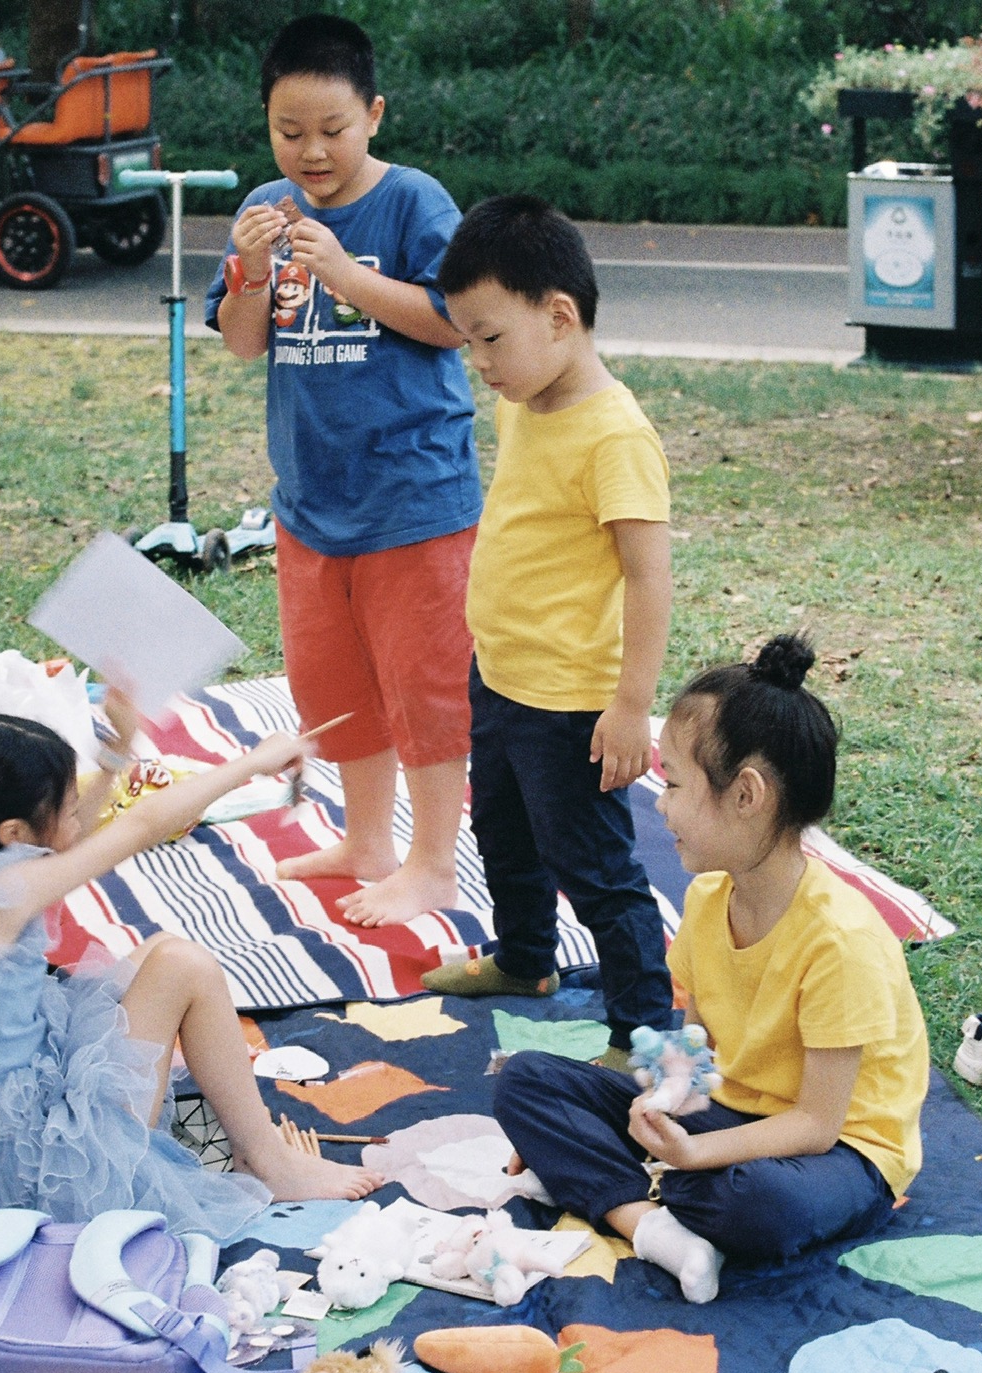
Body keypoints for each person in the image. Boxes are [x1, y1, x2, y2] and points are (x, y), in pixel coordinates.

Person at [0, 702, 382, 1237]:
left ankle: (260, 1152)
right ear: (13, 834)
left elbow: (69, 839)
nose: (79, 814)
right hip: (46, 1163)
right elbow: (142, 825)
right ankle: (268, 1160)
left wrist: (116, 751)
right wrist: (252, 763)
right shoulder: (4, 891)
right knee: (183, 964)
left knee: (154, 952)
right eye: (68, 806)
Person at [493, 637, 930, 1303]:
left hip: (840, 1154)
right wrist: (660, 1101)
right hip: (729, 1116)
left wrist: (682, 1152)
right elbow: (695, 1055)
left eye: (672, 784)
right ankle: (653, 1227)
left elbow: (817, 1124)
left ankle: (618, 1188)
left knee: (750, 1201)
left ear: (747, 794)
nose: (659, 804)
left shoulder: (841, 940)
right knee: (524, 1082)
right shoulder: (705, 899)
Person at [206, 15, 482, 929]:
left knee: (426, 687)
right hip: (311, 502)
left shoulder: (413, 202)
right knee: (338, 689)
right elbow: (242, 343)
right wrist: (252, 270)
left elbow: (454, 320)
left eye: (332, 129)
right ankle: (368, 843)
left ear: (375, 115)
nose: (312, 151)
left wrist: (345, 274)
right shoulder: (265, 208)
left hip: (415, 499)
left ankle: (432, 863)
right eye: (290, 132)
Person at [423, 196, 675, 1056]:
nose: (479, 362)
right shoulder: (523, 400)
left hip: (570, 701)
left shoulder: (616, 437)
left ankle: (644, 1028)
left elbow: (648, 577)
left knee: (596, 869)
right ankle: (526, 959)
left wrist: (631, 706)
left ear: (559, 316)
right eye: (468, 341)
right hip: (499, 674)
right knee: (502, 834)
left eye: (491, 338)